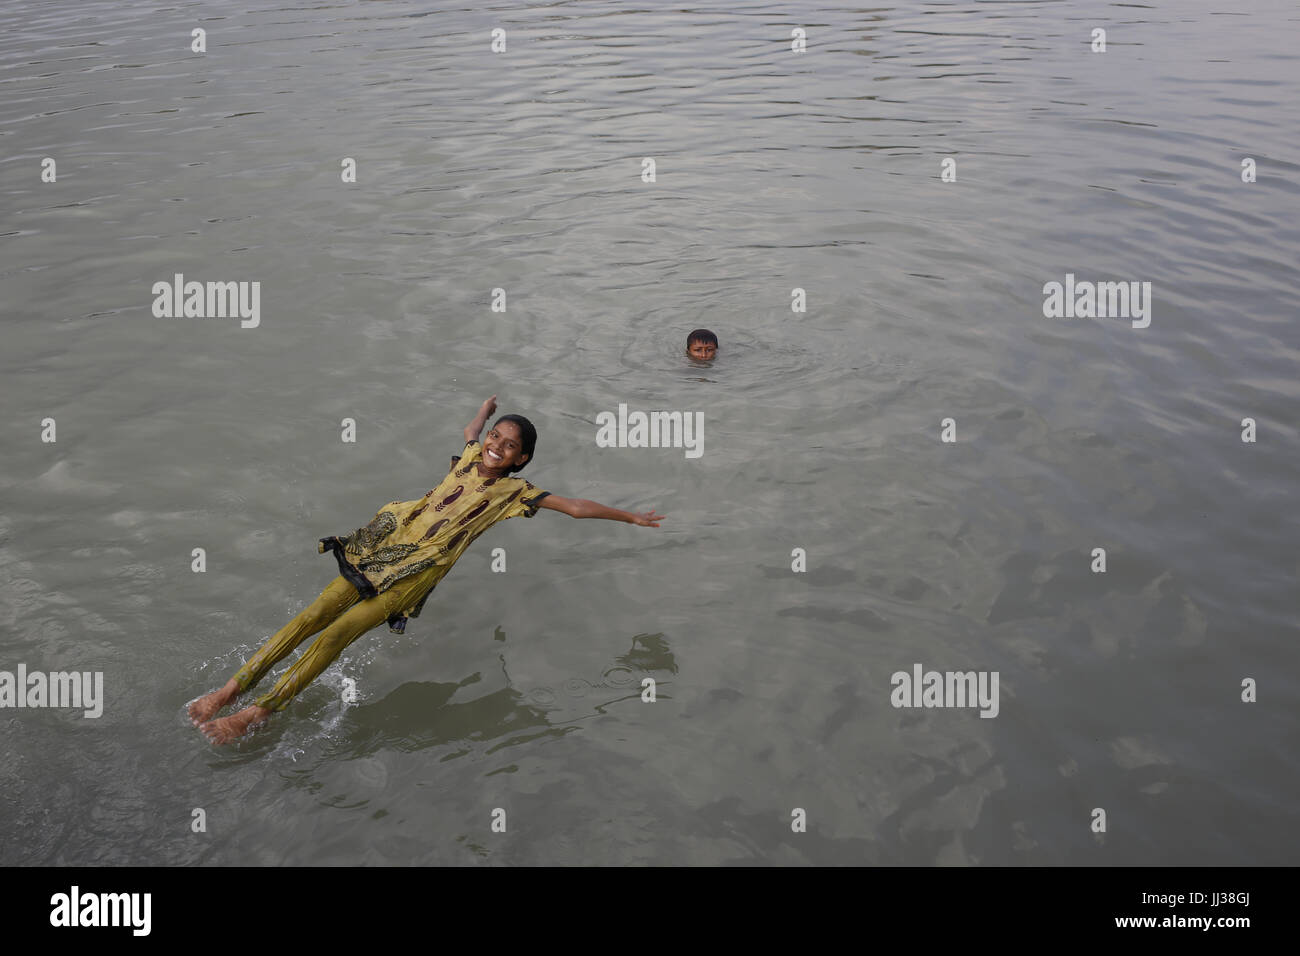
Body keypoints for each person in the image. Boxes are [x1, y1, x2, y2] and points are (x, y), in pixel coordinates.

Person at [188, 394, 664, 744]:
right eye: (497, 435)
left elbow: (576, 507)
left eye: (509, 444)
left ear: (522, 458)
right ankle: (232, 688)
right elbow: (469, 432)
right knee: (312, 616)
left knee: (336, 635)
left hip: (416, 575)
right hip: (387, 551)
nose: (497, 445)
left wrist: (633, 517)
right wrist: (484, 409)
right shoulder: (474, 454)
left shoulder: (516, 494)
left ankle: (259, 712)